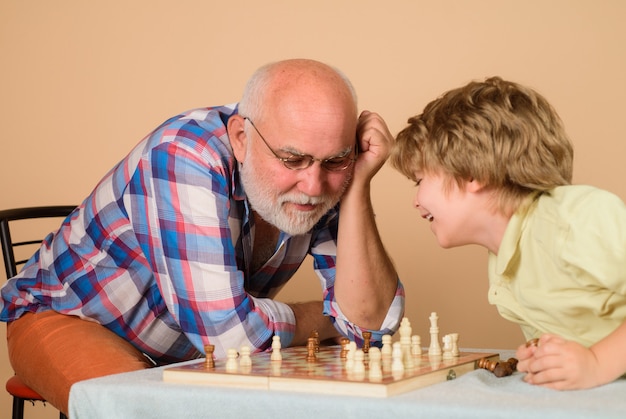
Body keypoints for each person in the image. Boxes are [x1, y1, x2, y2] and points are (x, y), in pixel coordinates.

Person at [1, 58, 405, 414]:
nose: (314, 186)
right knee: (138, 409)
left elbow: (372, 325)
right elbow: (231, 336)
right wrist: (325, 318)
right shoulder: (184, 155)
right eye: (292, 159)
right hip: (73, 318)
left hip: (193, 347)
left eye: (335, 160)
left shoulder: (331, 173)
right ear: (241, 139)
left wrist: (357, 185)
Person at [390, 76, 626, 391]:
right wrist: (547, 357)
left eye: (420, 180)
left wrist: (596, 363)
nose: (416, 201)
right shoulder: (505, 258)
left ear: (473, 172)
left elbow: (594, 361)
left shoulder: (575, 219)